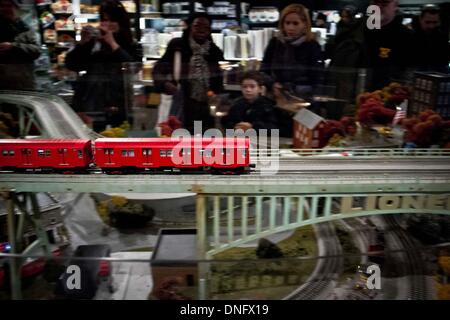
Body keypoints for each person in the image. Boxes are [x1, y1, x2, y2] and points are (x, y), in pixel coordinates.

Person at [65, 0, 142, 130]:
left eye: (112, 20)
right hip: (93, 107)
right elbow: (72, 65)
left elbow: (133, 68)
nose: (107, 24)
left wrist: (113, 44)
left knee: (121, 142)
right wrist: (82, 44)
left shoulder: (132, 45)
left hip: (120, 106)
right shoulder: (94, 43)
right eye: (104, 20)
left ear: (121, 23)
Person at [152, 12, 224, 134]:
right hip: (182, 105)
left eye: (206, 27)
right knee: (179, 140)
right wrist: (165, 84)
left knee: (203, 142)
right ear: (190, 27)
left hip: (205, 108)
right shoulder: (177, 46)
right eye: (197, 26)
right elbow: (158, 70)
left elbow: (217, 80)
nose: (202, 30)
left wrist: (215, 96)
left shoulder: (213, 52)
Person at [260, 4, 322, 137]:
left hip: (304, 104)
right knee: (278, 141)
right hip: (277, 103)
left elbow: (318, 78)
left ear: (305, 24)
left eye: (295, 23)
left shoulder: (312, 46)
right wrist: (272, 84)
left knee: (302, 141)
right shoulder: (275, 43)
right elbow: (263, 71)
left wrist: (308, 99)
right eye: (287, 23)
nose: (290, 27)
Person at [364, 0, 413, 90]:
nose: (378, 7)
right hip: (358, 94)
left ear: (395, 6)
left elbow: (408, 74)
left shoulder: (406, 36)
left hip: (387, 97)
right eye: (375, 3)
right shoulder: (361, 31)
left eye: (384, 3)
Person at [0, 0, 40, 90]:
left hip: (24, 83)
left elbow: (36, 51)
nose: (5, 9)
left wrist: (13, 46)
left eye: (9, 6)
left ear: (16, 8)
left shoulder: (25, 28)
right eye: (2, 6)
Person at [411, 4, 449, 73]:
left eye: (435, 22)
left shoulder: (442, 38)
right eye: (427, 22)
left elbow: (444, 62)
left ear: (439, 21)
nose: (431, 26)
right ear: (420, 19)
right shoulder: (409, 37)